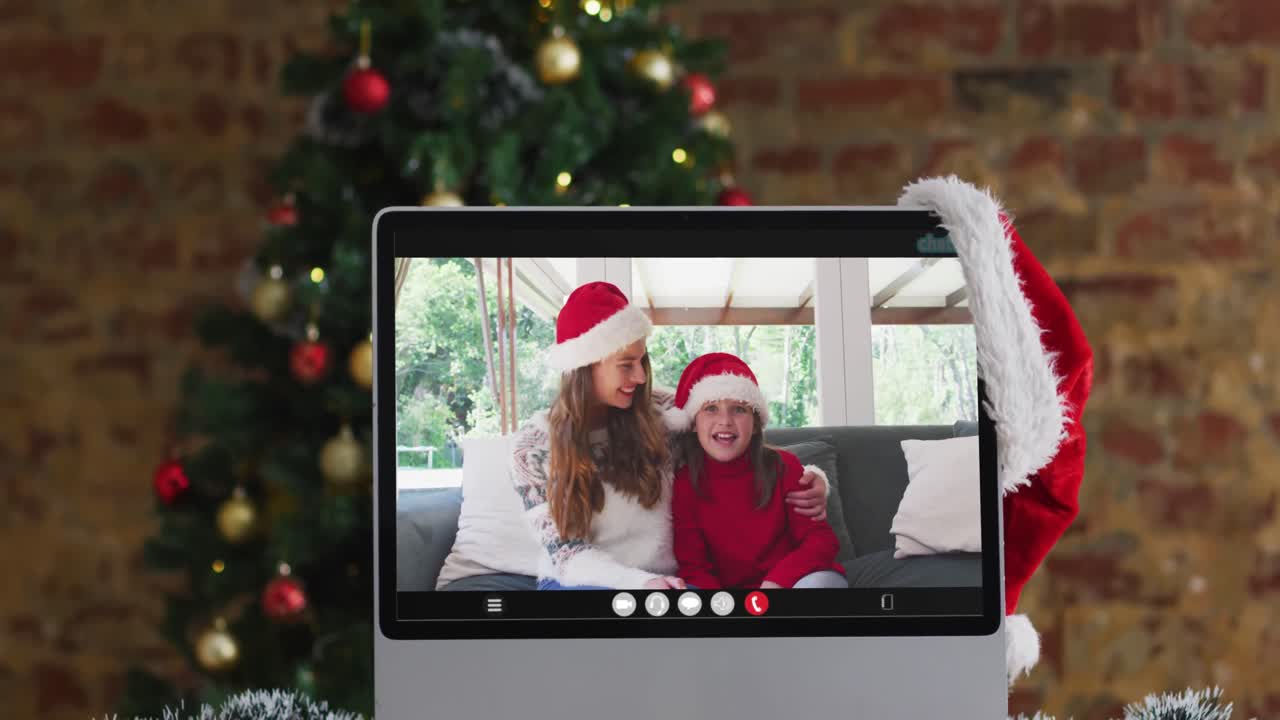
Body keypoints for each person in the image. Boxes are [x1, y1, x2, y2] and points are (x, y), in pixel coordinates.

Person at [510, 281, 830, 591]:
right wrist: (641, 583)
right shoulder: (533, 448)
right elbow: (566, 556)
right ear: (585, 366)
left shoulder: (661, 410)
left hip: (668, 581)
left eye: (642, 361)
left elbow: (731, 441)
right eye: (626, 365)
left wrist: (810, 478)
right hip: (581, 582)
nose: (640, 376)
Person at [666, 353, 847, 590]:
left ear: (755, 424)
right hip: (728, 598)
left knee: (820, 584)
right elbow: (694, 567)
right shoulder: (684, 483)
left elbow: (820, 541)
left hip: (791, 583)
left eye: (738, 409)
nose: (725, 421)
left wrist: (775, 583)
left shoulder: (784, 467)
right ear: (693, 423)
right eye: (711, 408)